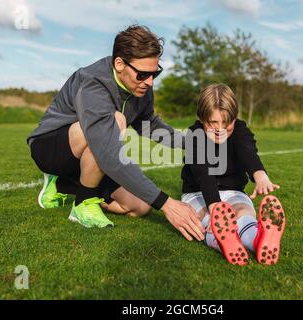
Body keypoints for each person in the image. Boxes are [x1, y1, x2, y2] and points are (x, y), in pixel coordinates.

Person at [27, 24, 204, 241]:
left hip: (91, 155)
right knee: (116, 121)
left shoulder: (141, 88)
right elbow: (109, 153)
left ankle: (62, 184)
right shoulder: (94, 83)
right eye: (142, 74)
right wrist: (168, 204)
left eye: (154, 73)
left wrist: (194, 142)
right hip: (51, 148)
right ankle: (83, 203)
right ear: (119, 64)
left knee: (140, 207)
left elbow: (149, 125)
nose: (149, 82)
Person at [181, 84, 286, 265]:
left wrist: (260, 175)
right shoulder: (194, 135)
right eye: (213, 123)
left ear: (235, 118)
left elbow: (248, 152)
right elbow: (203, 173)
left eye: (226, 123)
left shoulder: (240, 130)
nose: (220, 129)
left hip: (233, 191)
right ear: (201, 118)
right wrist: (214, 206)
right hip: (198, 193)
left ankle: (258, 241)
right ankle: (222, 241)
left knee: (242, 212)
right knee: (204, 217)